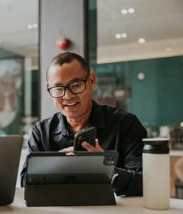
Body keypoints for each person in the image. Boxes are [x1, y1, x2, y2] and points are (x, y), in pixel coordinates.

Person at [21, 52, 147, 196]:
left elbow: (144, 182)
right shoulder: (41, 131)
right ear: (49, 88)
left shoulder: (126, 124)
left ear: (92, 81)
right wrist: (57, 166)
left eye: (75, 85)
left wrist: (105, 167)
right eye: (58, 88)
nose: (67, 96)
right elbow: (25, 182)